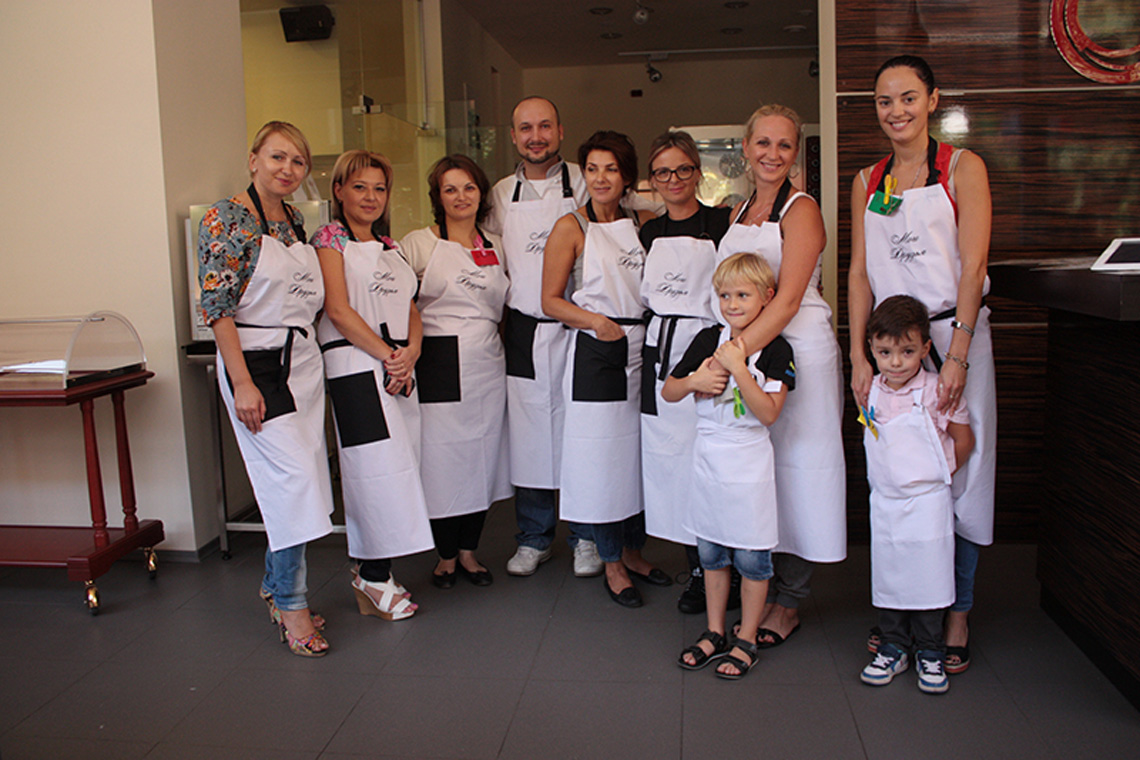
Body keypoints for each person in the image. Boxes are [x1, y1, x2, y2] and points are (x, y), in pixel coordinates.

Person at [849, 55, 994, 674]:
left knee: (961, 473)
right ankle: (901, 611)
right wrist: (859, 356)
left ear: (933, 100)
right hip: (889, 349)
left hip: (948, 332)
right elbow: (858, 274)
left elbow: (974, 264)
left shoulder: (963, 169)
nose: (896, 111)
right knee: (899, 476)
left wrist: (956, 352)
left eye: (908, 98)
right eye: (885, 101)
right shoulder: (867, 180)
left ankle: (954, 612)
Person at [198, 121, 333, 656]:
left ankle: (278, 588)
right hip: (255, 365)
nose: (287, 170)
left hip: (300, 361)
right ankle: (292, 604)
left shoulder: (296, 221)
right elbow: (218, 310)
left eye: (298, 162)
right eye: (278, 158)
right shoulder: (227, 218)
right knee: (294, 482)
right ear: (253, 159)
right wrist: (243, 383)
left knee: (301, 482)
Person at [715, 104, 847, 646]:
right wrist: (731, 350)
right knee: (759, 469)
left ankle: (789, 600)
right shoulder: (737, 210)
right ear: (745, 148)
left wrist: (737, 351)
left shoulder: (802, 209)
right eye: (762, 143)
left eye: (784, 146)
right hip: (747, 352)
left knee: (802, 474)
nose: (772, 154)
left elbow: (789, 298)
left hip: (798, 350)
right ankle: (760, 586)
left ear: (797, 154)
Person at [542, 130, 663, 608]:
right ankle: (612, 561)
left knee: (638, 455)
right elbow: (550, 300)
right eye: (591, 169)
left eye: (610, 168)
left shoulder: (645, 223)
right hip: (597, 350)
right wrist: (596, 322)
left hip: (643, 346)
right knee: (602, 462)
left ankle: (634, 551)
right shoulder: (570, 227)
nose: (600, 178)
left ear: (627, 176)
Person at [313, 149, 433, 620]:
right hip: (357, 369)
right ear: (339, 190)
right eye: (359, 187)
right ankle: (369, 572)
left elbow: (412, 310)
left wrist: (411, 354)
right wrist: (389, 356)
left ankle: (381, 569)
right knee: (371, 470)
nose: (370, 197)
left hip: (399, 367)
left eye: (378, 188)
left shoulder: (392, 247)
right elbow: (339, 311)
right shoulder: (328, 240)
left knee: (401, 467)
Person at [484, 96, 600, 578]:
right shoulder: (497, 194)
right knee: (530, 434)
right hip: (526, 329)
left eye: (545, 126)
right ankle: (533, 536)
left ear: (560, 130)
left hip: (582, 326)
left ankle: (587, 536)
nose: (536, 136)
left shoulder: (587, 182)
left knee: (583, 432)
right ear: (513, 136)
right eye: (526, 128)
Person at [665, 253, 796, 679]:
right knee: (712, 555)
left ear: (768, 298)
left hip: (749, 462)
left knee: (753, 560)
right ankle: (716, 631)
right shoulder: (707, 340)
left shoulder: (777, 349)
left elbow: (769, 413)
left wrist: (739, 368)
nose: (733, 304)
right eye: (725, 295)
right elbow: (669, 391)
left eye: (743, 294)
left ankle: (747, 638)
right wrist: (694, 382)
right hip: (708, 462)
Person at [400, 154, 511, 589]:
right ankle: (445, 554)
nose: (460, 197)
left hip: (487, 358)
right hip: (438, 357)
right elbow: (399, 303)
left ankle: (470, 551)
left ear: (480, 193)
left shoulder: (498, 244)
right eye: (450, 189)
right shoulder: (418, 243)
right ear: (437, 197)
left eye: (468, 187)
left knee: (481, 457)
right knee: (443, 459)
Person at [858, 295, 974, 694]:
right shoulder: (870, 391)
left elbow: (963, 439)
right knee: (890, 575)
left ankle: (929, 649)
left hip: (927, 502)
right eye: (885, 352)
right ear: (871, 348)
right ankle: (893, 646)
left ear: (925, 348)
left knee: (929, 578)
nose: (895, 362)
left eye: (907, 352)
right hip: (886, 500)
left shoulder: (937, 390)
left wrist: (936, 474)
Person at [638, 130, 733, 613]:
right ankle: (698, 569)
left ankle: (727, 567)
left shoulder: (722, 221)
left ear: (697, 172)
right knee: (672, 466)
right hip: (661, 351)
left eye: (682, 169)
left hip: (707, 344)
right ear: (652, 180)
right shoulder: (647, 232)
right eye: (662, 172)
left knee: (711, 462)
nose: (673, 179)